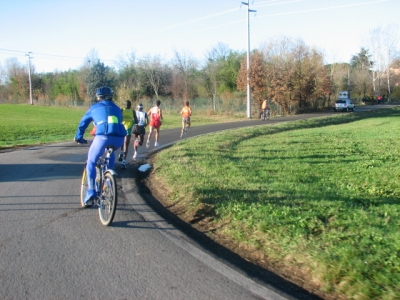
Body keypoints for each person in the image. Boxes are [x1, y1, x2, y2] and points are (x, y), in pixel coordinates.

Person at [74, 86, 126, 207]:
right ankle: (108, 181)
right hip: (119, 139)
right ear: (111, 97)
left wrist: (79, 136)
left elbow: (83, 123)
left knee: (91, 161)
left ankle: (91, 190)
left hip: (102, 137)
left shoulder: (94, 108)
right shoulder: (117, 108)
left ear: (98, 97)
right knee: (110, 153)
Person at [118, 100, 138, 168]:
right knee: (126, 145)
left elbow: (118, 118)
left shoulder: (121, 110)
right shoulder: (133, 111)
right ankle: (124, 161)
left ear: (124, 105)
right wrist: (133, 121)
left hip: (121, 128)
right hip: (128, 129)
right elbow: (136, 121)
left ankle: (121, 152)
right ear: (130, 105)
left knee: (122, 142)